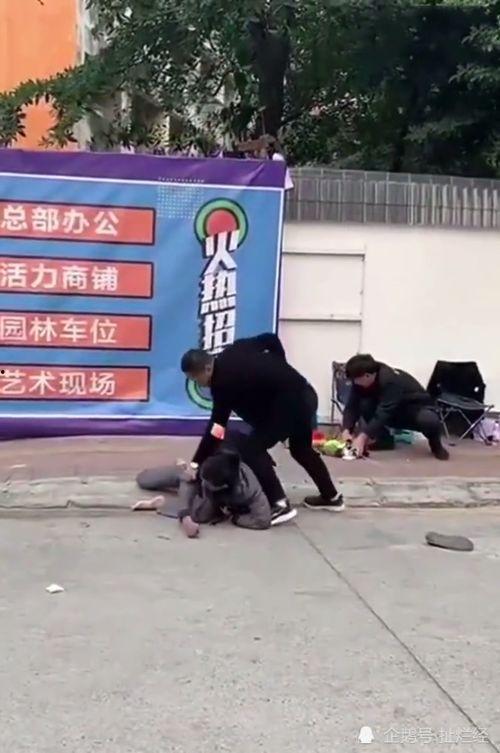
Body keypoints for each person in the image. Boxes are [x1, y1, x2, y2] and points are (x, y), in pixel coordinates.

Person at [181, 335, 344, 515]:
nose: (198, 384)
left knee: (252, 449)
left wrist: (196, 463)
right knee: (301, 450)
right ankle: (331, 497)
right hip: (305, 394)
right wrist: (282, 367)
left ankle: (280, 504)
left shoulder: (222, 385)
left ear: (207, 368)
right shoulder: (234, 349)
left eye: (196, 378)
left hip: (289, 406)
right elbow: (271, 339)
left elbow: (217, 428)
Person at [134, 447, 294, 537]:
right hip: (192, 476)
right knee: (144, 480)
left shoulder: (248, 490)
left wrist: (236, 518)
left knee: (200, 516)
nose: (206, 484)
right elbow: (190, 486)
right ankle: (181, 467)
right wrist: (184, 515)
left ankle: (163, 503)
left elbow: (262, 520)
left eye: (209, 484)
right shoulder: (208, 465)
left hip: (217, 493)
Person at [342, 354, 449, 460]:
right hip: (390, 409)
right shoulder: (362, 379)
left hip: (413, 408)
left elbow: (384, 411)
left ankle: (436, 446)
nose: (354, 383)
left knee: (428, 419)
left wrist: (362, 437)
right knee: (365, 405)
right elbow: (352, 405)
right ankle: (384, 440)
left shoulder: (389, 380)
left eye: (355, 380)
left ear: (367, 376)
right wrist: (346, 429)